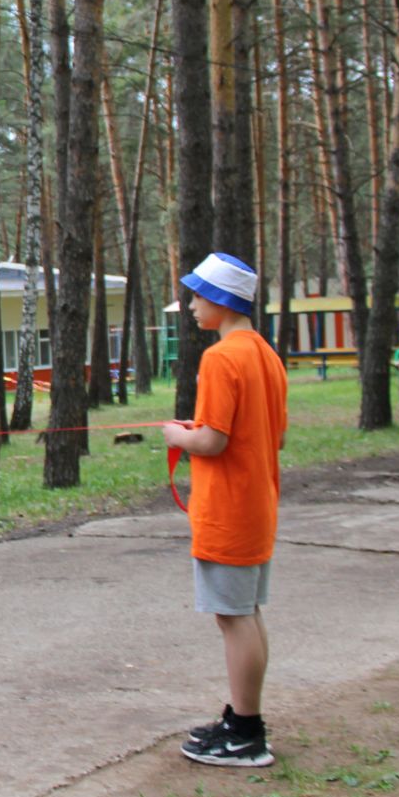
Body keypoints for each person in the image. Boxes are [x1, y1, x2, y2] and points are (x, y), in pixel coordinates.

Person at [161, 254, 288, 769]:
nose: (190, 305)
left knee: (234, 619)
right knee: (246, 615)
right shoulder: (265, 354)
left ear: (218, 299)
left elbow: (212, 442)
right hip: (256, 505)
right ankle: (241, 721)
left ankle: (246, 734)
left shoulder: (221, 357)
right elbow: (265, 431)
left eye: (196, 296)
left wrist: (179, 436)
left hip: (229, 510)